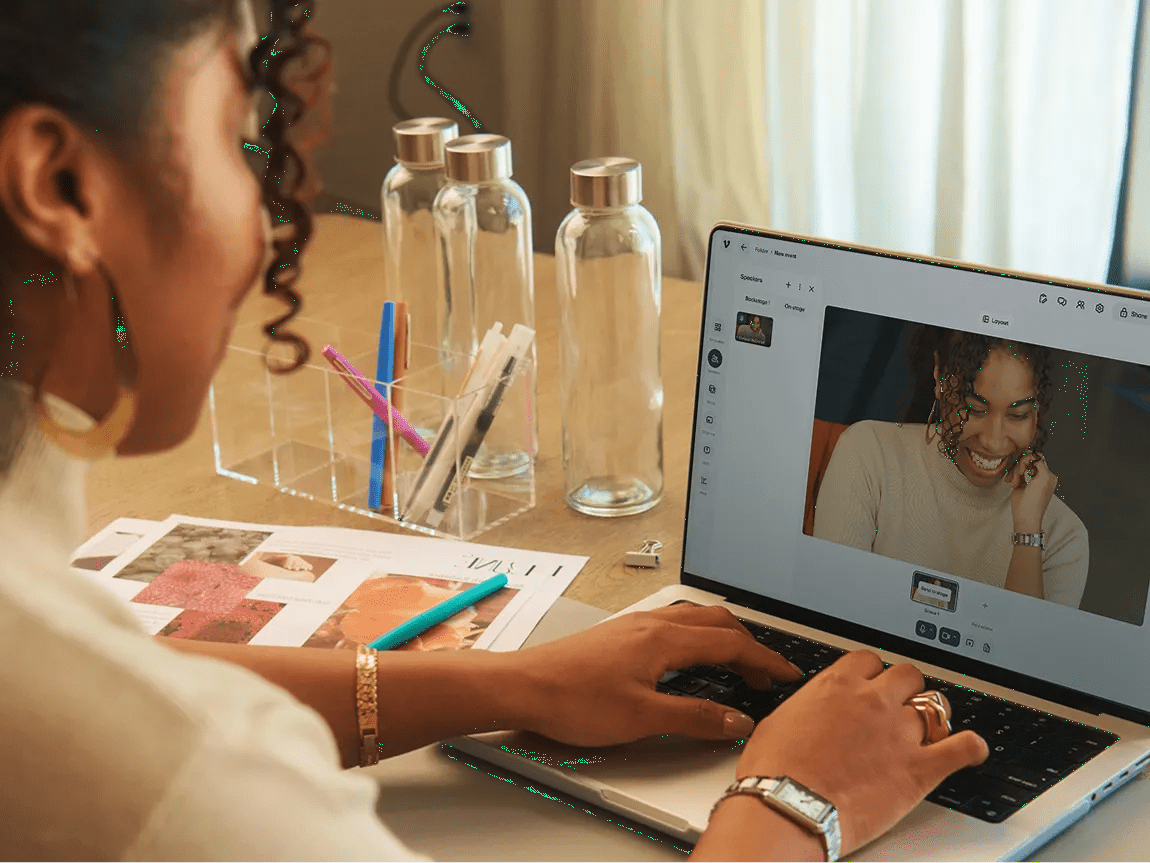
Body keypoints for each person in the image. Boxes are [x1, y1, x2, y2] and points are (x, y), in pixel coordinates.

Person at [0, 3, 988, 860]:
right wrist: (797, 799)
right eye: (233, 136)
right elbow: (139, 726)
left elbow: (139, 679)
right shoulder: (161, 769)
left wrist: (512, 682)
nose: (265, 227)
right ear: (58, 185)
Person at [814, 325, 1089, 608]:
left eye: (1018, 415)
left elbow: (1024, 638)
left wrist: (1028, 533)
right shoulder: (867, 454)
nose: (993, 441)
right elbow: (833, 608)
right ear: (939, 375)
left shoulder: (1063, 537)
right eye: (974, 409)